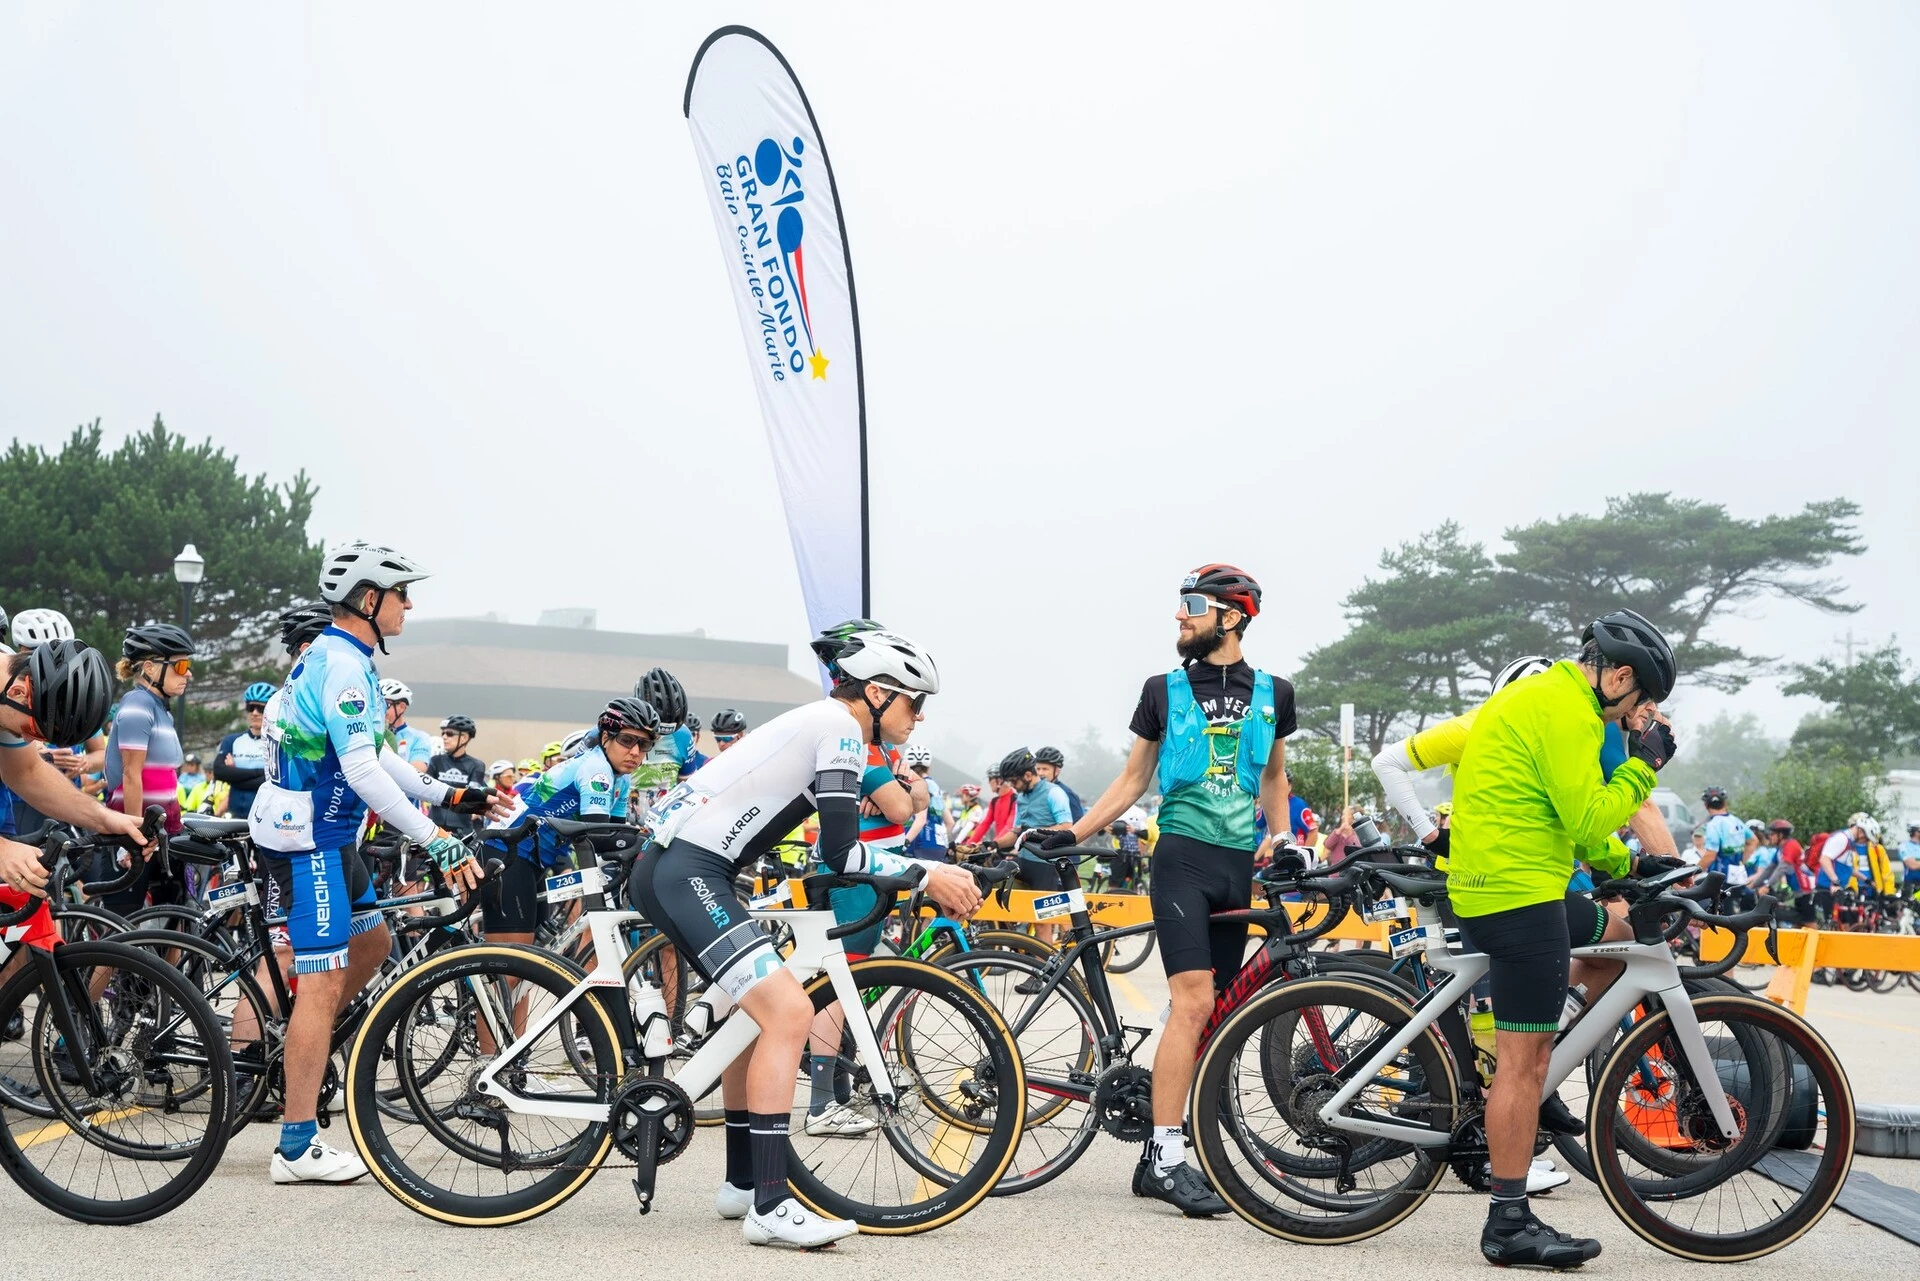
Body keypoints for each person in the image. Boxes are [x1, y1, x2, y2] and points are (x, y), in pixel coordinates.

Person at [630, 628, 979, 1247]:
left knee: (752, 1015)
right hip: (692, 870)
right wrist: (928, 875)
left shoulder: (827, 725)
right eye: (913, 702)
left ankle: (742, 1182)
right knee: (789, 1012)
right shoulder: (841, 729)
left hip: (679, 867)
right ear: (876, 692)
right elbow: (843, 852)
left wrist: (922, 870)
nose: (918, 716)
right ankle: (770, 1204)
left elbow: (827, 840)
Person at [1039, 563, 1292, 1218]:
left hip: (1241, 864)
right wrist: (1075, 828)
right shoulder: (1163, 688)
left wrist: (1287, 836)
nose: (1179, 616)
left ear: (1232, 615)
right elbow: (1131, 780)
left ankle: (1178, 1141)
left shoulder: (1276, 692)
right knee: (1192, 1001)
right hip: (1181, 858)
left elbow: (1273, 778)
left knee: (1216, 1009)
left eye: (1192, 605)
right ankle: (1167, 1155)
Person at [250, 543, 492, 1184]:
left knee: (374, 941)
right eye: (401, 593)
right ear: (367, 599)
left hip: (323, 835)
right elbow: (359, 771)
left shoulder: (335, 655)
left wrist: (444, 795)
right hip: (310, 841)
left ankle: (306, 1041)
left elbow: (374, 756)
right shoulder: (346, 668)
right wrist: (436, 838)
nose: (409, 604)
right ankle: (297, 1145)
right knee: (321, 981)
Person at [1447, 608, 1677, 1268]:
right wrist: (1644, 763)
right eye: (1642, 702)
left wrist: (1627, 864)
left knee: (1619, 930)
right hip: (1519, 896)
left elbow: (1570, 822)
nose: (1638, 716)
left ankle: (1556, 1026)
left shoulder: (1543, 694)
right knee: (1525, 1064)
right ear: (1621, 675)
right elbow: (1591, 811)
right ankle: (1508, 1222)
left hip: (1505, 881)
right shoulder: (1574, 712)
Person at [1373, 653, 1678, 870]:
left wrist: (1627, 862)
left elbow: (1563, 822)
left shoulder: (1558, 733)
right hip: (1483, 870)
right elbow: (1386, 762)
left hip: (1509, 864)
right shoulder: (1477, 725)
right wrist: (1432, 836)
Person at [483, 698, 654, 957]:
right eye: (627, 741)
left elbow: (613, 831)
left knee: (528, 964)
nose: (635, 752)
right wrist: (644, 842)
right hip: (506, 853)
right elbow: (597, 837)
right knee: (512, 964)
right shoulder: (596, 769)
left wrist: (635, 840)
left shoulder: (622, 777)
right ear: (606, 737)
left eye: (644, 745)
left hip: (534, 859)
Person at [0, 640, 156, 907]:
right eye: (36, 731)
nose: (30, 741)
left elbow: (27, 771)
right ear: (17, 693)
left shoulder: (10, 692)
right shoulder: (11, 691)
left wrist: (105, 819)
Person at [100, 623, 197, 911]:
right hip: (136, 834)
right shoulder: (137, 705)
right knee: (122, 934)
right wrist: (135, 836)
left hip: (163, 832)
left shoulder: (159, 708)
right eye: (181, 665)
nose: (188, 673)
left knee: (175, 921)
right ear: (151, 669)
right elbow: (131, 775)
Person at [214, 682, 278, 819]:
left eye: (261, 708)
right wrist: (260, 773)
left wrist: (234, 775)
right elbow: (219, 772)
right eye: (250, 707)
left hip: (264, 818)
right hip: (233, 817)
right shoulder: (231, 740)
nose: (255, 713)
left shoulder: (278, 743)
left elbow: (273, 779)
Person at [426, 715, 488, 837]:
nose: (444, 737)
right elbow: (426, 791)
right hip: (434, 827)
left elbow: (472, 798)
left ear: (464, 737)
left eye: (449, 733)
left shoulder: (476, 765)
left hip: (462, 830)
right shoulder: (435, 761)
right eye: (443, 733)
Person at [901, 743, 947, 858]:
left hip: (919, 842)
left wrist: (904, 843)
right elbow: (950, 822)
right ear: (928, 766)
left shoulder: (919, 785)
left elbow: (921, 820)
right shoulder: (935, 786)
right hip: (939, 845)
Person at [379, 679, 435, 771]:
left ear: (401, 707)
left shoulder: (419, 737)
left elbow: (417, 773)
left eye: (386, 704)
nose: (381, 709)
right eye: (378, 704)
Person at [1696, 788, 1747, 877]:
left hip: (1720, 878)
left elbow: (1710, 855)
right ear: (1725, 804)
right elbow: (1753, 841)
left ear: (1705, 805)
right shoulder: (1736, 821)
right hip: (1739, 875)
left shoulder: (1713, 824)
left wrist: (1692, 875)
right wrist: (1742, 862)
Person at [1034, 746, 1085, 822]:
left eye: (1045, 769)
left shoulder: (1067, 793)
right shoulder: (1032, 792)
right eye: (1038, 769)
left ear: (1057, 771)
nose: (1040, 773)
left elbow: (1078, 824)